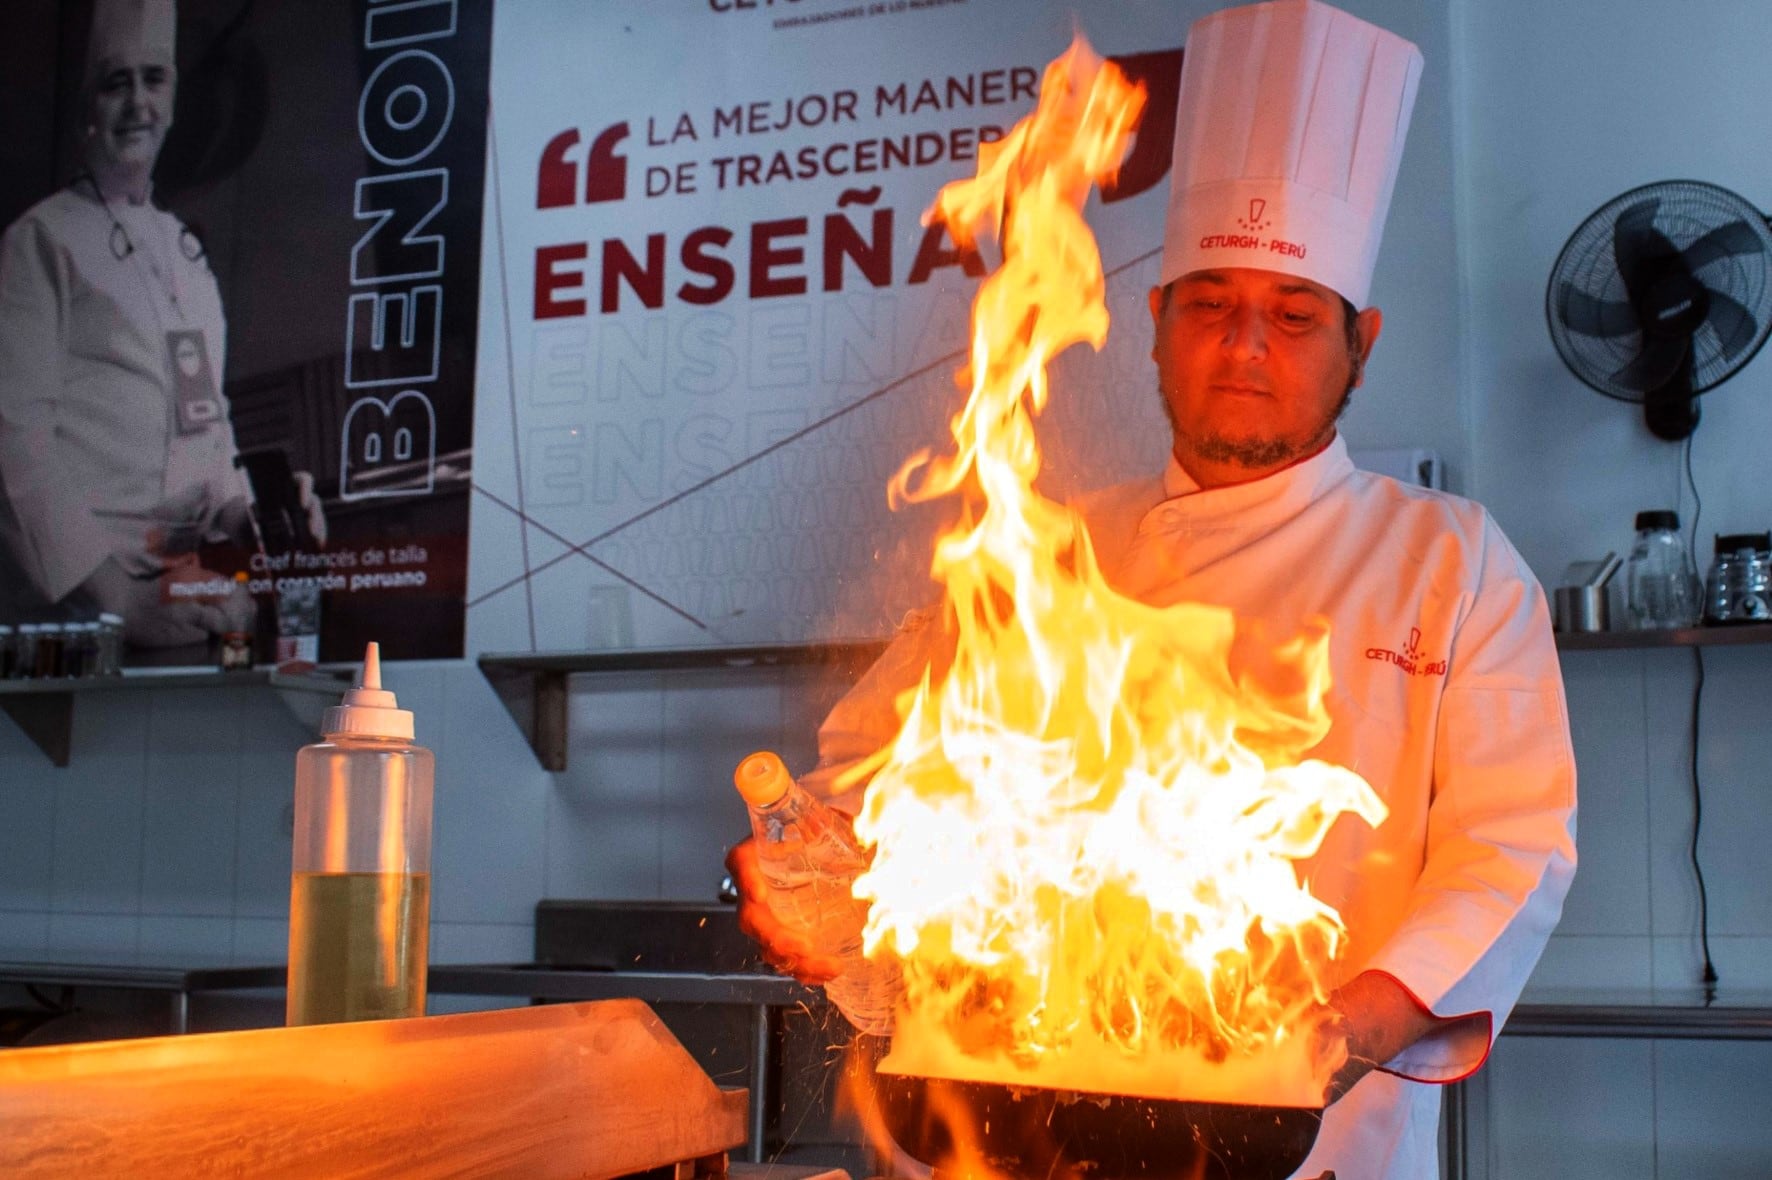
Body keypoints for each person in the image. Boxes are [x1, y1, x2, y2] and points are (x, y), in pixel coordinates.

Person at [728, 2, 1577, 1177]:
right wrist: (815, 868)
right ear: (1153, 324)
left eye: (1290, 316)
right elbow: (874, 773)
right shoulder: (1040, 556)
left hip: (1324, 1144)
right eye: (1211, 307)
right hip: (1001, 1129)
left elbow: (1510, 847)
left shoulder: (1453, 559)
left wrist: (1350, 1021)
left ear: (1359, 342)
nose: (1245, 346)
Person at [0, 0, 322, 648]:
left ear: (173, 98)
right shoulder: (40, 239)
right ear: (89, 106)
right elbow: (13, 443)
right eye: (117, 83)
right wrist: (123, 600)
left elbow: (205, 424)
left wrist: (248, 511)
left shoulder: (186, 254)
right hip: (69, 610)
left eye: (154, 79)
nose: (138, 102)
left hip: (172, 595)